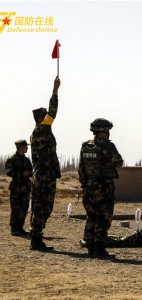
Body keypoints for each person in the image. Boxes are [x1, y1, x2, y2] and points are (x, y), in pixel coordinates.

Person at [79, 118, 124, 259]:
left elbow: (82, 168)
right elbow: (119, 163)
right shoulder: (108, 146)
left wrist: (85, 184)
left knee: (92, 216)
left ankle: (90, 246)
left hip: (89, 186)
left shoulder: (86, 145)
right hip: (104, 186)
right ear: (104, 131)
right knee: (103, 217)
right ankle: (99, 249)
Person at [30, 76, 61, 251]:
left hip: (42, 173)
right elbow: (53, 111)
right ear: (40, 118)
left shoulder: (38, 131)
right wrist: (55, 90)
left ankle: (36, 237)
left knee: (40, 205)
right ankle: (36, 239)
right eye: (45, 116)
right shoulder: (42, 129)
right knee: (43, 206)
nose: (48, 117)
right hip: (44, 174)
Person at [5, 140, 33, 236]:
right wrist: (21, 174)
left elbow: (31, 170)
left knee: (24, 208)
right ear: (19, 147)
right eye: (25, 146)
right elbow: (9, 172)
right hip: (16, 188)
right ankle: (14, 228)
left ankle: (20, 228)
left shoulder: (26, 160)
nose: (27, 148)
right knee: (16, 208)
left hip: (26, 187)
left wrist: (30, 173)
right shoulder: (11, 159)